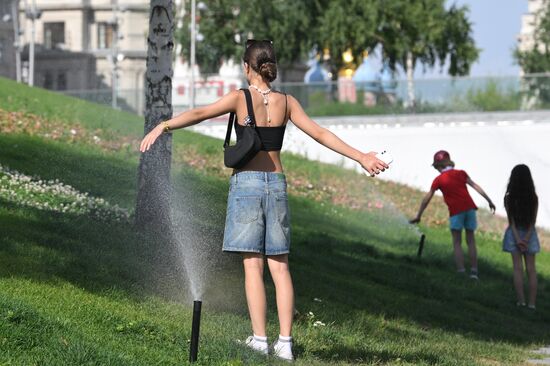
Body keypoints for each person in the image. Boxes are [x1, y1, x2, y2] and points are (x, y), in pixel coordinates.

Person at [140, 40, 388, 361]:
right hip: (277, 185)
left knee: (253, 267)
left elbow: (201, 113)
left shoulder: (240, 98)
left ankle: (260, 339)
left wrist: (164, 125)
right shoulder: (286, 102)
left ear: (247, 67)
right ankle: (285, 343)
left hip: (247, 185)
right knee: (280, 268)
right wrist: (360, 156)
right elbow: (320, 133)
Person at [410, 150, 495, 279]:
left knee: (457, 242)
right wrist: (489, 201)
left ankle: (461, 271)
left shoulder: (438, 180)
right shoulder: (461, 173)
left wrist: (419, 215)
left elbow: (427, 198)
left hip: (456, 211)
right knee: (471, 241)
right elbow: (475, 186)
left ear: (439, 166)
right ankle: (474, 272)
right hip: (470, 209)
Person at [502, 164, 539, 310]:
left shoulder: (509, 197)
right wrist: (527, 238)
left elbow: (511, 221)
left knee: (517, 269)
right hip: (530, 234)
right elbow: (533, 221)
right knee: (531, 269)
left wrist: (518, 239)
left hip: (514, 234)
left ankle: (521, 301)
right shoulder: (533, 197)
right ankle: (532, 304)